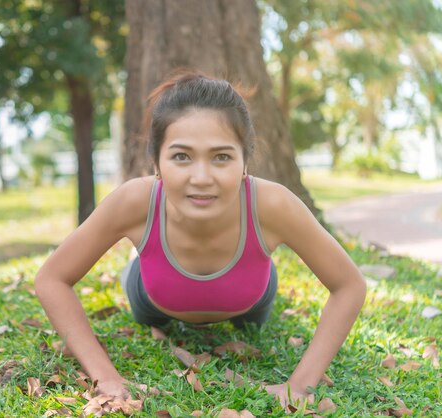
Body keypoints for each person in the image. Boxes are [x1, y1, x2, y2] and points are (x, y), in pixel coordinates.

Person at [35, 69, 366, 409]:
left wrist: (299, 386)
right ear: (157, 163)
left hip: (250, 299)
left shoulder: (274, 204)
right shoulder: (135, 200)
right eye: (181, 156)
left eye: (221, 157)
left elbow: (349, 285)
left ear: (245, 162)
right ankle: (140, 257)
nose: (202, 177)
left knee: (255, 311)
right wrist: (106, 377)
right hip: (154, 299)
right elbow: (52, 278)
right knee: (141, 282)